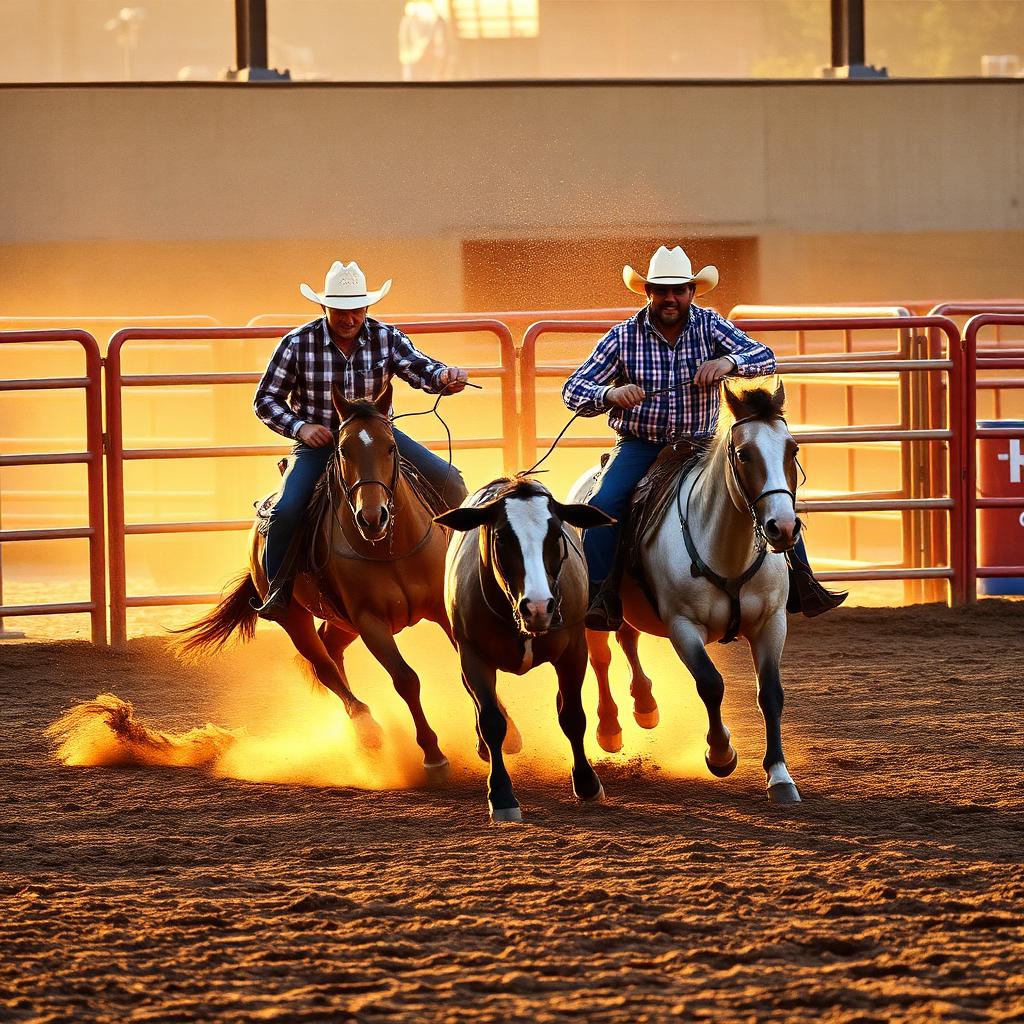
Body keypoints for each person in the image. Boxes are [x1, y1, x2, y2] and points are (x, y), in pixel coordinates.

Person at [562, 244, 847, 631]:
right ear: (648, 293)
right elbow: (573, 389)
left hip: (701, 445)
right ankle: (602, 595)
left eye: (679, 290)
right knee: (605, 505)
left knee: (769, 491)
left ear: (692, 292)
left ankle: (802, 582)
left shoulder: (709, 325)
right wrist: (609, 394)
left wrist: (729, 362)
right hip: (640, 445)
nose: (671, 298)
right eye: (662, 290)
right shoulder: (623, 337)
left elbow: (764, 356)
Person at [252, 259, 469, 621]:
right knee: (287, 508)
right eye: (340, 310)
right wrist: (301, 428)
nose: (349, 318)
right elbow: (265, 400)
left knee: (451, 481)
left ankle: (466, 574)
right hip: (320, 442)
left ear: (367, 307)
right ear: (325, 308)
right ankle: (278, 589)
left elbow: (421, 369)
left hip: (377, 437)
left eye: (355, 310)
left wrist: (445, 376)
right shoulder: (297, 343)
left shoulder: (386, 338)